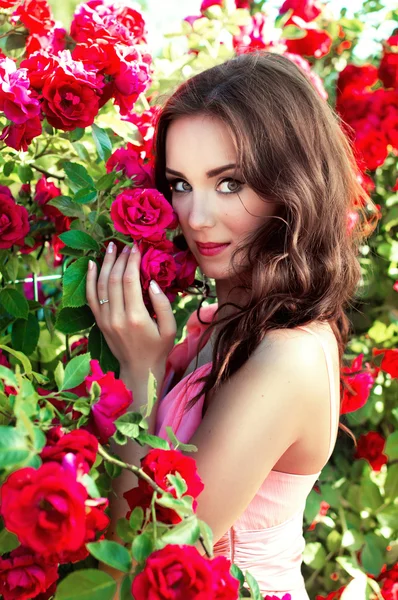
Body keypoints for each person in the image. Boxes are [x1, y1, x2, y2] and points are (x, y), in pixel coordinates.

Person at [86, 51, 376, 599]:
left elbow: (143, 552)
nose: (195, 217)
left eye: (228, 183)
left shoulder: (286, 356)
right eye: (179, 184)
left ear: (291, 184)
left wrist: (140, 372)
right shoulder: (223, 323)